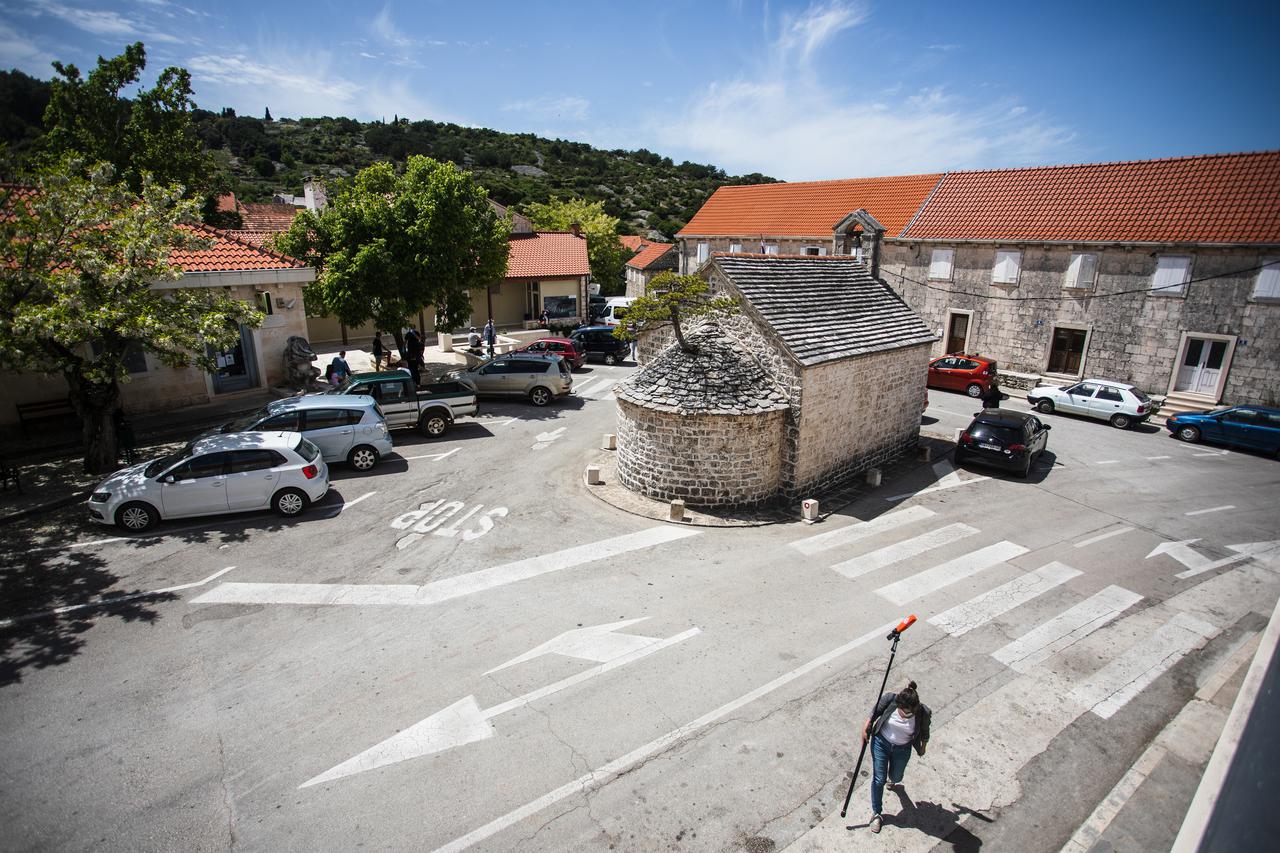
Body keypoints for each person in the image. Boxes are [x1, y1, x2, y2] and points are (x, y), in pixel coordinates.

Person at [862, 681, 931, 834]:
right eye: (903, 712)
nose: (906, 716)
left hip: (903, 749)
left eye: (910, 713)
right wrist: (865, 728)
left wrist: (922, 747)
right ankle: (877, 813)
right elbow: (874, 713)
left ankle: (894, 781)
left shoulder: (923, 712)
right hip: (881, 743)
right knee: (879, 779)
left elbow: (925, 732)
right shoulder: (890, 700)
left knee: (896, 776)